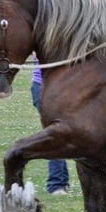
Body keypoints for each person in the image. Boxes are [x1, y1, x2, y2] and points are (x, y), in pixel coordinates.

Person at [31, 53, 71, 195]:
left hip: (67, 85)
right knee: (55, 133)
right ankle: (57, 183)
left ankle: (61, 181)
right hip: (43, 86)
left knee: (60, 133)